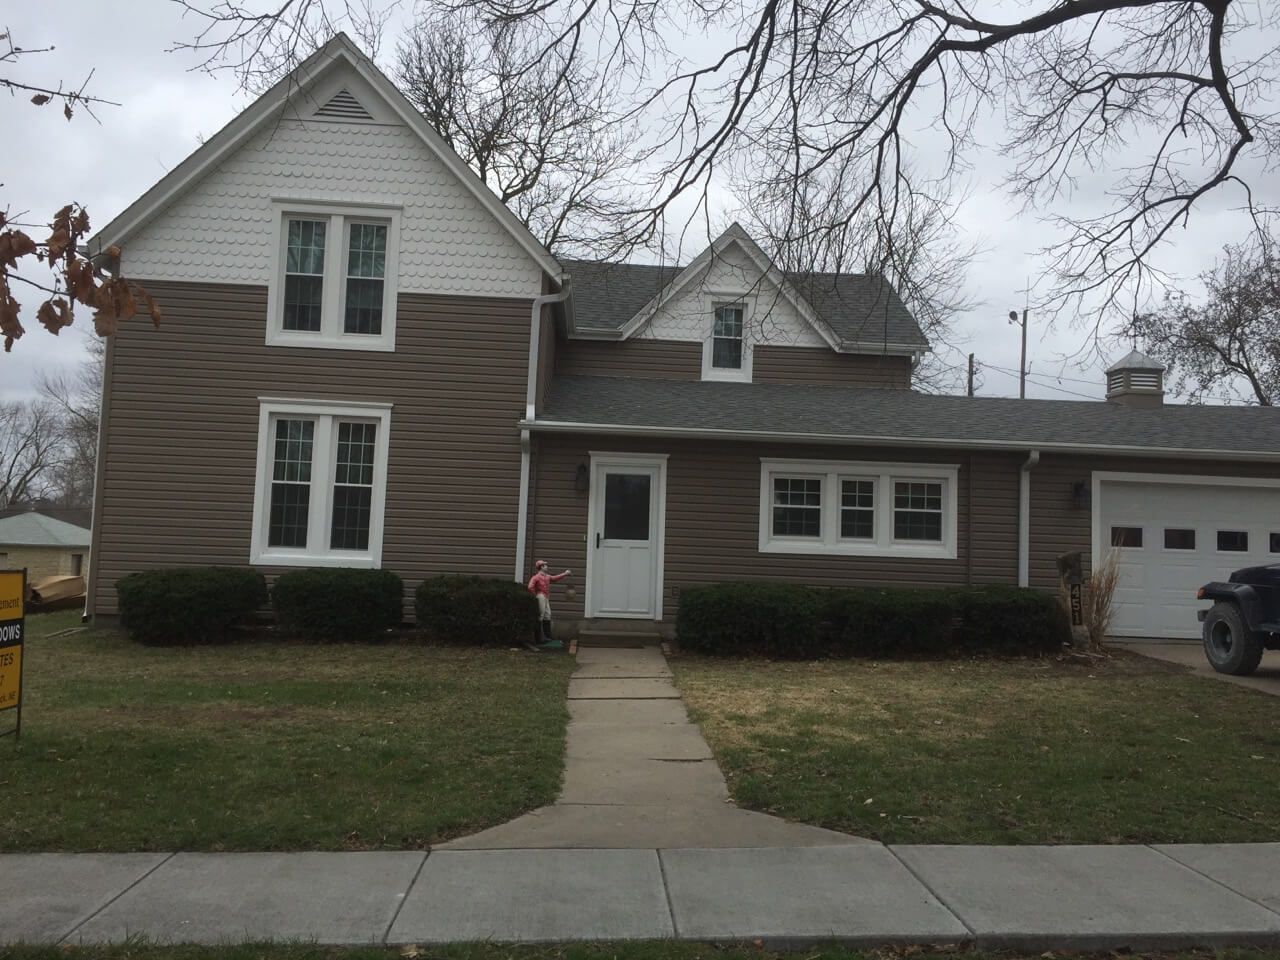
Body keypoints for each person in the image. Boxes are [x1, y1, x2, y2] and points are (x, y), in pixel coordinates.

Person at [526, 559, 571, 651]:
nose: (547, 567)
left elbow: (555, 578)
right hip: (541, 596)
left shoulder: (547, 576)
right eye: (545, 565)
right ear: (541, 567)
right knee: (541, 615)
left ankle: (547, 636)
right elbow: (530, 587)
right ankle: (539, 638)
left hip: (546, 596)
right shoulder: (536, 577)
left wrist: (565, 574)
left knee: (547, 615)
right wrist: (535, 596)